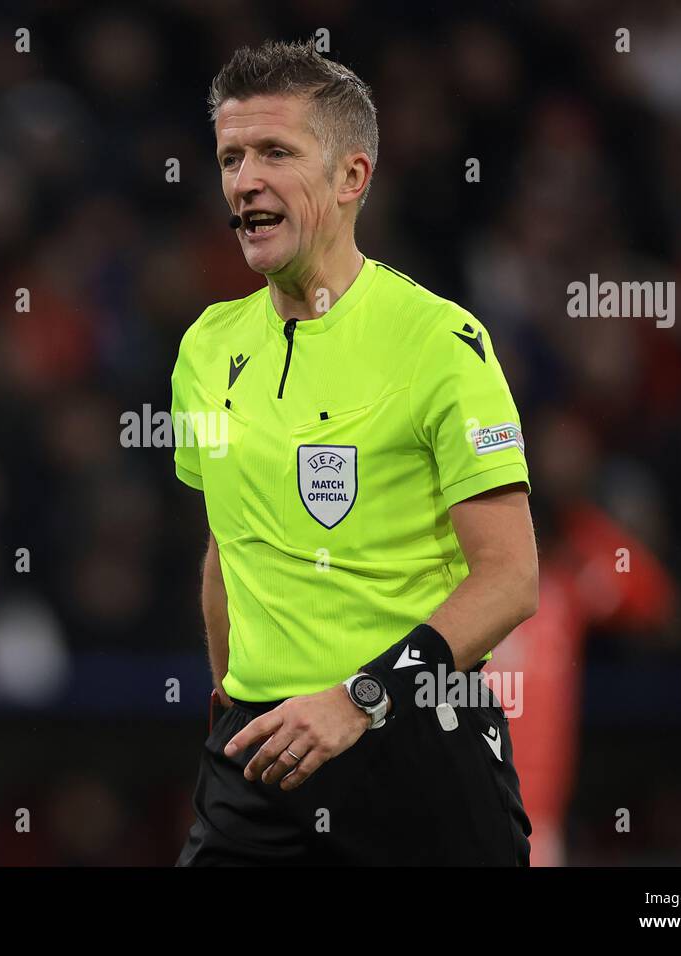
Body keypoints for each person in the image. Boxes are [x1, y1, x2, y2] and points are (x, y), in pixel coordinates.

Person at [171, 39, 537, 865]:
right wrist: (231, 689)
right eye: (231, 157)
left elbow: (511, 580)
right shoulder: (205, 348)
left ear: (351, 178)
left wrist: (358, 699)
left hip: (418, 759)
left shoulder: (440, 343)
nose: (244, 180)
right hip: (261, 762)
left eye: (275, 152)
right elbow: (228, 544)